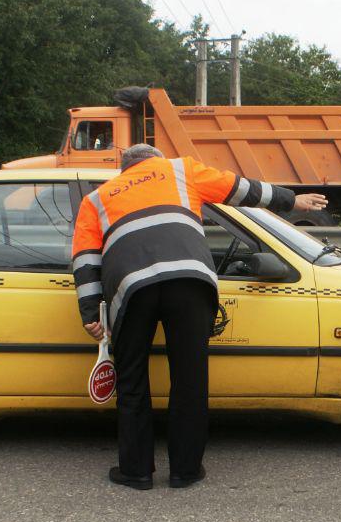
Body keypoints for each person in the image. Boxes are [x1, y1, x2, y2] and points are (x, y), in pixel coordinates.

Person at [72, 144, 327, 489]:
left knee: (132, 381)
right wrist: (292, 200)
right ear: (156, 160)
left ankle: (135, 472)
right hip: (189, 283)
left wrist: (91, 312)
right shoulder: (180, 170)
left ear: (123, 170)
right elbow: (241, 188)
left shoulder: (97, 199)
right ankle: (185, 471)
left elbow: (86, 259)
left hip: (132, 288)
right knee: (190, 380)